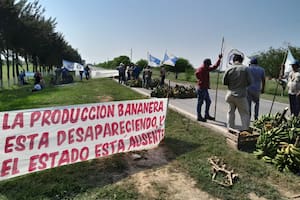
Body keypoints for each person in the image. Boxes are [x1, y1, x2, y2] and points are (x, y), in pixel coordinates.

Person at [223, 54, 253, 131]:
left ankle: (230, 129)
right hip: (241, 95)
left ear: (233, 60)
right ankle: (245, 130)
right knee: (244, 113)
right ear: (241, 60)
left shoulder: (228, 68)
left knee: (230, 112)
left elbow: (224, 82)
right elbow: (250, 81)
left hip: (230, 94)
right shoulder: (245, 69)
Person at [195, 54, 222, 122]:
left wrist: (219, 59)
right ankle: (199, 116)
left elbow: (214, 67)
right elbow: (197, 74)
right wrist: (201, 80)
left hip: (205, 89)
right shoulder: (202, 69)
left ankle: (206, 115)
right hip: (201, 89)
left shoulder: (205, 68)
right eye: (209, 64)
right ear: (206, 64)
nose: (209, 66)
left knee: (208, 101)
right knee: (200, 103)